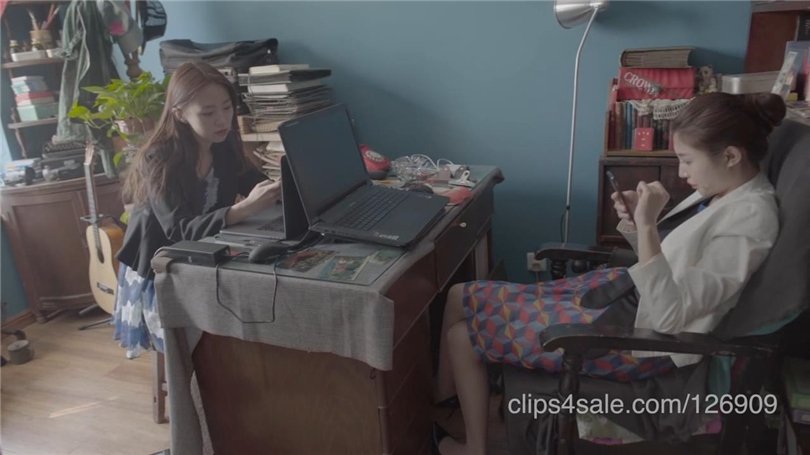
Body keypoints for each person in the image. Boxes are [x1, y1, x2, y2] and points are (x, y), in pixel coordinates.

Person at [432, 92, 787, 455]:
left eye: (687, 160)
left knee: (463, 338)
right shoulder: (726, 191)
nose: (683, 172)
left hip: (642, 336)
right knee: (460, 294)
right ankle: (444, 403)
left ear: (730, 156)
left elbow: (670, 317)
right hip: (626, 296)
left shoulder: (750, 219)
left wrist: (648, 226)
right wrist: (637, 222)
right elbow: (670, 260)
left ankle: (473, 446)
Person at [113, 61, 281, 358]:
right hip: (159, 263)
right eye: (208, 113)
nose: (222, 120)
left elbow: (257, 183)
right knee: (193, 350)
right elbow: (178, 230)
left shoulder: (223, 144)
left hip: (202, 252)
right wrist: (244, 208)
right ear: (179, 114)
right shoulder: (160, 158)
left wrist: (286, 185)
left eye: (227, 108)